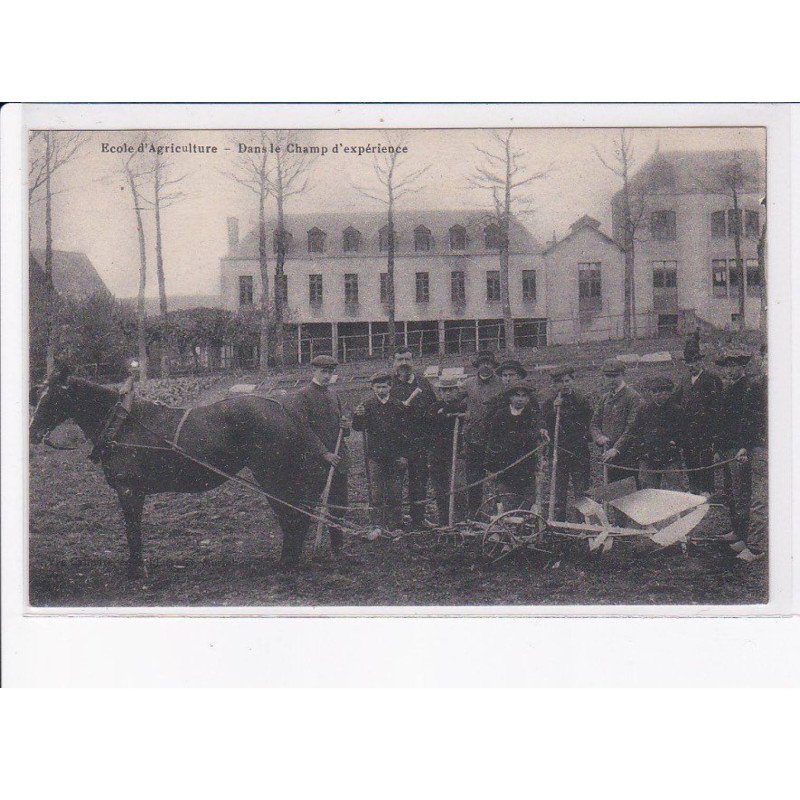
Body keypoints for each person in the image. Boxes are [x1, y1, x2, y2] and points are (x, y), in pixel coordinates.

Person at [288, 354, 350, 557]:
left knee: (338, 505)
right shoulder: (302, 396)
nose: (327, 376)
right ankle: (296, 552)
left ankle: (337, 549)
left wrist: (346, 427)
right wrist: (323, 453)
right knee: (308, 505)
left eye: (330, 372)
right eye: (323, 371)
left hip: (338, 459)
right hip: (315, 461)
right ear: (313, 371)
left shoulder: (334, 395)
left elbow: (341, 429)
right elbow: (302, 429)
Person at [713, 349, 765, 563]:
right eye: (726, 366)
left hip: (739, 448)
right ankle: (736, 530)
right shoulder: (727, 388)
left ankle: (744, 536)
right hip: (726, 446)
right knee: (730, 492)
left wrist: (743, 446)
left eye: (734, 365)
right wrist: (717, 446)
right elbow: (721, 420)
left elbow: (749, 422)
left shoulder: (749, 388)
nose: (729, 370)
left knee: (742, 492)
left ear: (742, 367)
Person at [352, 371, 407, 535]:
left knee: (395, 491)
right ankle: (377, 524)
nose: (381, 390)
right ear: (372, 388)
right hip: (375, 456)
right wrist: (358, 416)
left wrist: (403, 455)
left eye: (384, 386)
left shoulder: (398, 405)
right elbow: (358, 427)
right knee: (376, 492)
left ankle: (396, 524)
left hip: (395, 456)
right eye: (377, 387)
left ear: (390, 387)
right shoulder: (367, 406)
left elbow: (405, 433)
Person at [389, 346, 437, 530]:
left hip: (419, 443)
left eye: (407, 359)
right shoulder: (389, 385)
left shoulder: (423, 384)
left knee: (419, 483)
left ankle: (418, 519)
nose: (404, 364)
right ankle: (395, 522)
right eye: (400, 359)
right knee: (395, 485)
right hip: (397, 445)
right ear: (394, 362)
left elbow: (433, 408)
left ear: (413, 361)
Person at [539, 365, 593, 520]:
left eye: (567, 380)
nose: (564, 384)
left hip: (579, 453)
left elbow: (589, 423)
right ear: (555, 385)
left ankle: (583, 522)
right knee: (558, 490)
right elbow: (543, 423)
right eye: (560, 382)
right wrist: (553, 411)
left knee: (581, 490)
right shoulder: (550, 403)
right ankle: (558, 521)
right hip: (558, 453)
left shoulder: (581, 400)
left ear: (572, 381)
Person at [672, 337, 723, 495]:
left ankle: (707, 489)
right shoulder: (685, 380)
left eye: (694, 362)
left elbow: (718, 406)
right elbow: (676, 399)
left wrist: (714, 429)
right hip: (688, 428)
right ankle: (694, 488)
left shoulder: (712, 379)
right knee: (689, 457)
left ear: (700, 362)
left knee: (705, 458)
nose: (691, 366)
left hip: (705, 427)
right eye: (688, 362)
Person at [485, 381, 542, 511]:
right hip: (506, 469)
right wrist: (492, 468)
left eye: (523, 396)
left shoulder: (532, 416)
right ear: (510, 397)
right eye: (517, 395)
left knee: (527, 505)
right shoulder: (500, 416)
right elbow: (493, 442)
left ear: (528, 398)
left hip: (527, 468)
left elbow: (538, 432)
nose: (520, 399)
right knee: (508, 504)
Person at [461, 350, 501, 519]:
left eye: (489, 363)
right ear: (477, 366)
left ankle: (499, 512)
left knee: (498, 476)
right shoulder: (468, 384)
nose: (485, 366)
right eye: (482, 363)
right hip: (474, 439)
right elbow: (457, 403)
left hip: (496, 439)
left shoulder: (501, 384)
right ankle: (474, 512)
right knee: (474, 477)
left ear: (493, 366)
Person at [590, 358, 641, 484]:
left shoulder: (633, 397)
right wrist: (599, 437)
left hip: (628, 456)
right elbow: (594, 423)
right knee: (612, 495)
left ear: (623, 375)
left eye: (615, 376)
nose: (611, 380)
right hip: (608, 455)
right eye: (608, 376)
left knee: (630, 496)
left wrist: (617, 449)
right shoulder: (604, 398)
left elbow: (632, 427)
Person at [629, 375, 684, 489]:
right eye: (654, 391)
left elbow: (683, 434)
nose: (657, 394)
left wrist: (674, 443)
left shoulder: (677, 411)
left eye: (662, 390)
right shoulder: (643, 410)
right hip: (648, 459)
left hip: (670, 459)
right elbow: (636, 432)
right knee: (648, 493)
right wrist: (642, 450)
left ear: (669, 392)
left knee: (676, 492)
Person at [426, 377, 468, 526]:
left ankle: (460, 520)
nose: (448, 393)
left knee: (458, 487)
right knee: (441, 489)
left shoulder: (463, 407)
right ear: (440, 392)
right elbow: (431, 420)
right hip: (437, 454)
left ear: (457, 391)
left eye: (451, 390)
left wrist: (448, 412)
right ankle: (444, 520)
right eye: (445, 390)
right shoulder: (434, 407)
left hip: (457, 453)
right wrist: (442, 413)